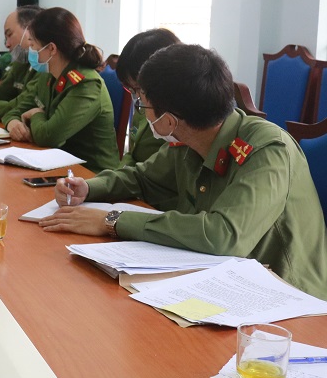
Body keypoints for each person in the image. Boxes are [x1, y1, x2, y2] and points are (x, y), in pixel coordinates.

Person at [44, 44, 327, 299]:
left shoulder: (268, 149)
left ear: (169, 121)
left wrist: (113, 220)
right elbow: (142, 178)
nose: (142, 112)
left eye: (143, 104)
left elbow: (222, 235)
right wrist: (89, 188)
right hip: (219, 276)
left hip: (285, 296)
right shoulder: (191, 138)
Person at [0, 7, 119, 173]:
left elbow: (49, 137)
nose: (30, 51)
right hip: (56, 164)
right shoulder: (48, 75)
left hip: (90, 174)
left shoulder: (86, 84)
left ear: (51, 49)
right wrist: (13, 123)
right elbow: (14, 110)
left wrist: (36, 114)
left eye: (33, 45)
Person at [114, 28, 181, 166]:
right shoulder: (143, 106)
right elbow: (132, 155)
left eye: (139, 89)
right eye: (132, 89)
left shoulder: (181, 118)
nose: (138, 96)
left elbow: (164, 169)